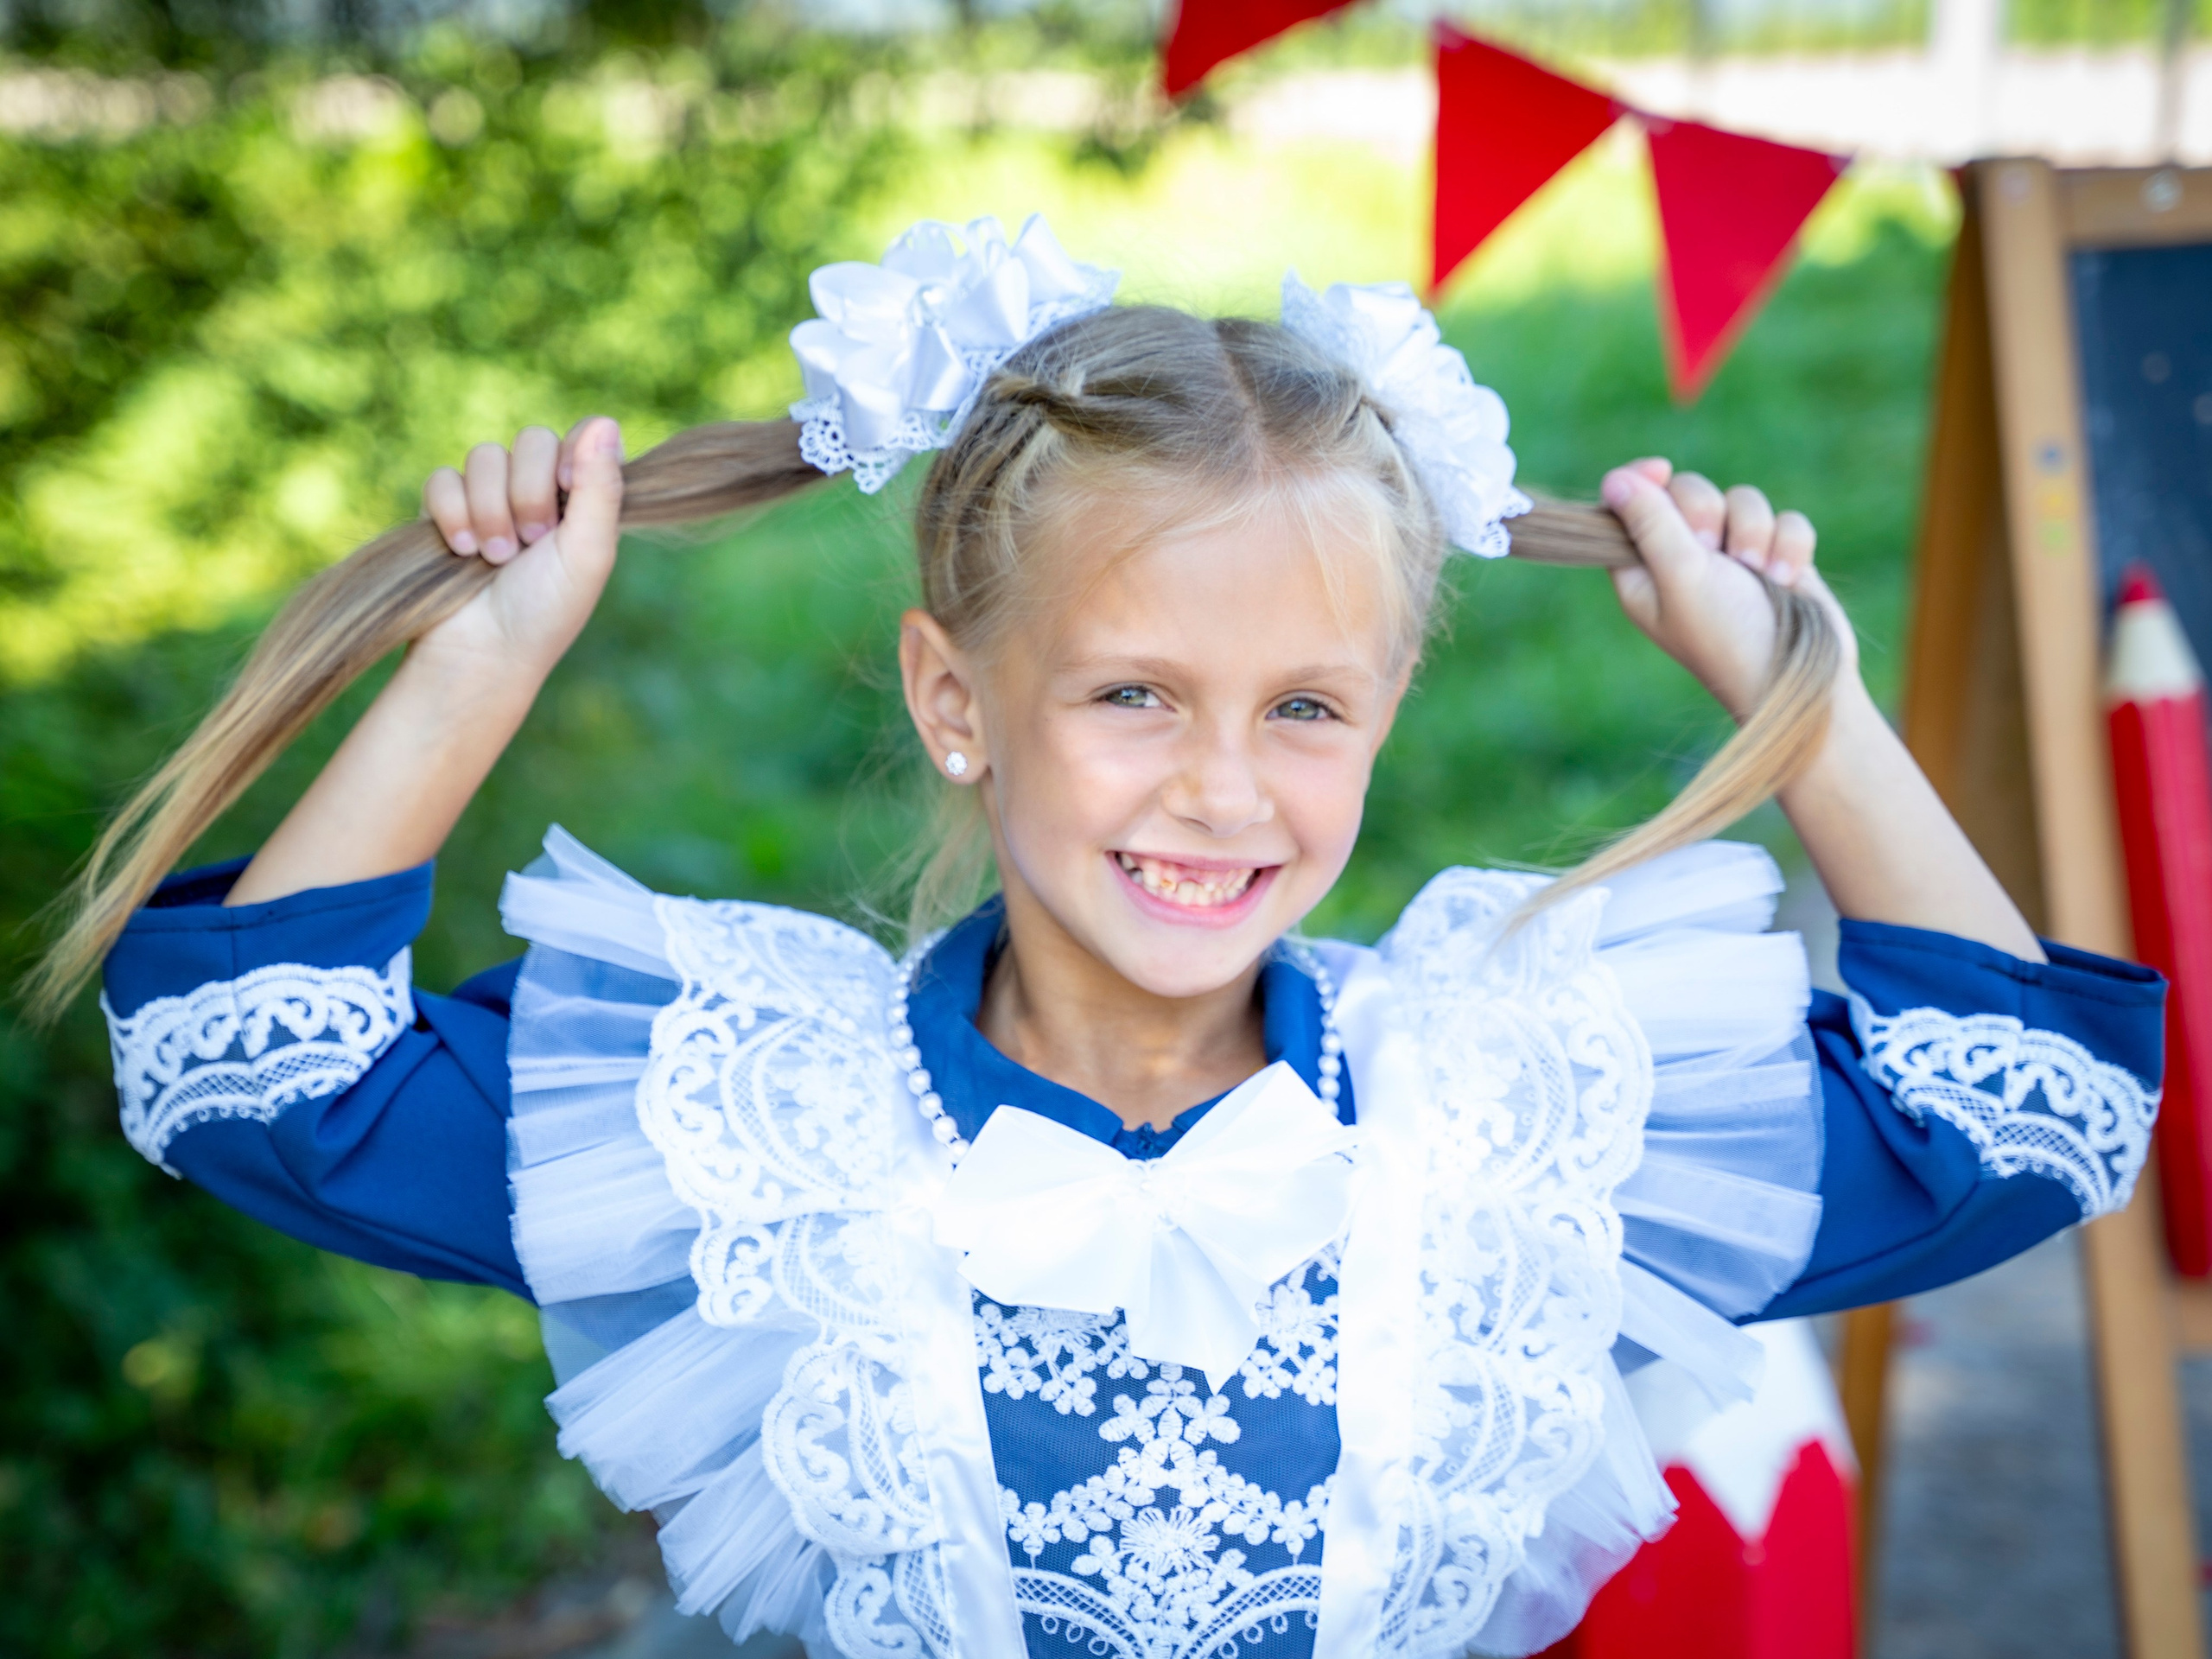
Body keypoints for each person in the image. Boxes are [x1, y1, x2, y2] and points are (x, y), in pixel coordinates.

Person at [60, 215, 2161, 1659]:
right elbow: (257, 1073)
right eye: (1132, 693)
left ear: (1383, 722)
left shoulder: (1515, 1124)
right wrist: (476, 663)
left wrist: (1809, 698)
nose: (1221, 791)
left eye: (1303, 709)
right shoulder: (753, 1124)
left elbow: (2042, 1122)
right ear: (954, 698)